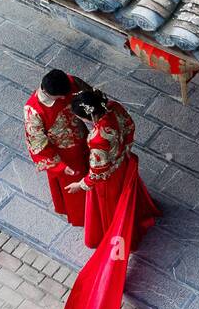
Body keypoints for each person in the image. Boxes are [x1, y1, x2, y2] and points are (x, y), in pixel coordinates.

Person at [66, 88, 160, 248]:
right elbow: (130, 126)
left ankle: (120, 238)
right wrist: (126, 149)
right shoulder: (114, 107)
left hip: (109, 180)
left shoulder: (97, 138)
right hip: (123, 163)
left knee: (113, 209)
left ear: (86, 117)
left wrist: (80, 185)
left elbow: (97, 172)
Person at [24, 70, 89, 227]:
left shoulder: (72, 82)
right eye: (59, 97)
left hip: (87, 142)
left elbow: (91, 98)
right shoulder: (33, 110)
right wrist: (59, 167)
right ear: (46, 91)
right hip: (66, 157)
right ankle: (87, 219)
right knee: (78, 195)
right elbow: (37, 145)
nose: (63, 99)